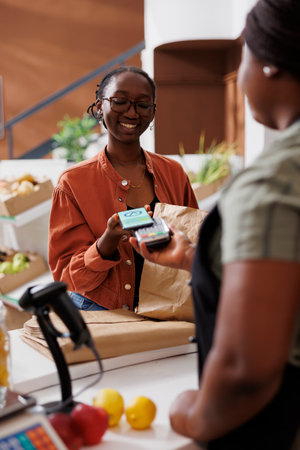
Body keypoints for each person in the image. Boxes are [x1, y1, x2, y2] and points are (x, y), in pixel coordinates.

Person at [130, 1, 300, 448]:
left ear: (269, 64)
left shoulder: (275, 181)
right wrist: (191, 258)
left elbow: (247, 369)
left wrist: (193, 414)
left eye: (243, 53)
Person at [48, 66, 198, 311]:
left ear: (153, 112)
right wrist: (108, 240)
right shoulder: (72, 182)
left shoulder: (173, 172)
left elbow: (193, 242)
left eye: (143, 104)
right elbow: (66, 277)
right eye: (120, 101)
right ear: (99, 106)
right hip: (100, 311)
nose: (131, 112)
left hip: (168, 307)